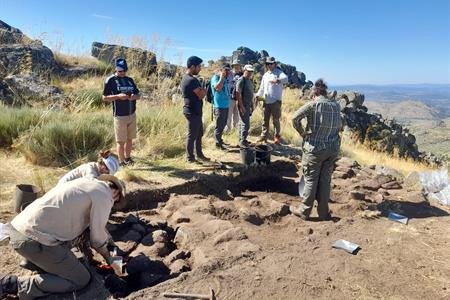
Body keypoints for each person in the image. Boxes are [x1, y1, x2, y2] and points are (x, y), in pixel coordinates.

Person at [0, 175, 126, 299]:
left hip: (19, 228)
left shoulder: (86, 182)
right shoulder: (105, 196)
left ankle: (34, 262)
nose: (113, 204)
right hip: (34, 240)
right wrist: (116, 263)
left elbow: (99, 231)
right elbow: (98, 239)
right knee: (81, 279)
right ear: (116, 193)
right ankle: (11, 284)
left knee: (80, 234)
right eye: (115, 202)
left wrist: (110, 251)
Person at [290, 79, 342, 221]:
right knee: (325, 180)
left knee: (310, 179)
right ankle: (323, 212)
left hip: (315, 148)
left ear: (315, 93)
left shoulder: (313, 104)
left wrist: (302, 133)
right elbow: (340, 126)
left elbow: (295, 118)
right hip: (332, 149)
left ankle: (304, 211)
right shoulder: (336, 106)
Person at [102, 58, 141, 166]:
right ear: (116, 69)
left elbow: (138, 95)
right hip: (120, 116)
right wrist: (118, 96)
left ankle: (128, 159)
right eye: (120, 71)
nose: (122, 73)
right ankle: (121, 162)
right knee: (121, 141)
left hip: (132, 114)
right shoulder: (110, 80)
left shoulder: (130, 80)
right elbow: (104, 98)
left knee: (130, 139)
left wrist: (134, 97)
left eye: (124, 71)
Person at [180, 56, 209, 163]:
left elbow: (199, 93)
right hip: (192, 111)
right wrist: (204, 89)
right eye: (199, 66)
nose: (200, 68)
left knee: (198, 134)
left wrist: (201, 89)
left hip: (193, 110)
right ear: (192, 66)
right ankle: (190, 158)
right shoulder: (192, 80)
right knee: (192, 135)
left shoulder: (185, 78)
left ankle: (199, 155)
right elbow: (201, 95)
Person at [255, 56, 288, 144]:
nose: (269, 65)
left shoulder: (279, 72)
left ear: (274, 64)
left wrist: (277, 80)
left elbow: (286, 79)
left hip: (276, 101)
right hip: (266, 101)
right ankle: (263, 136)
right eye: (268, 64)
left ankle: (276, 137)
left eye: (271, 63)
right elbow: (262, 88)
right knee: (265, 120)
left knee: (276, 120)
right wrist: (258, 95)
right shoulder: (265, 75)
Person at [211, 63, 232, 150]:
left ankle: (220, 140)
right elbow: (218, 88)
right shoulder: (215, 77)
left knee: (223, 124)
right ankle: (217, 143)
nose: (227, 72)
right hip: (219, 106)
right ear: (221, 70)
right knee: (219, 125)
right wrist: (222, 77)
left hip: (226, 105)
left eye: (228, 70)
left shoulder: (226, 79)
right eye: (225, 70)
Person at [235, 64, 255, 147]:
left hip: (248, 105)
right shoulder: (241, 80)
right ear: (244, 70)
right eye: (248, 71)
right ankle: (243, 141)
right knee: (246, 124)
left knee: (242, 123)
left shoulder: (249, 80)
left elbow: (251, 94)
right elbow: (238, 94)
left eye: (251, 71)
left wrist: (252, 105)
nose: (250, 73)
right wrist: (242, 106)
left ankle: (242, 140)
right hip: (243, 105)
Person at [225, 61, 243, 132]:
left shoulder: (242, 75)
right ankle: (227, 130)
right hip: (230, 97)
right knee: (229, 114)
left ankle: (235, 131)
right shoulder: (229, 74)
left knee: (237, 115)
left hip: (239, 98)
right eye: (235, 65)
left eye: (238, 65)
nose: (236, 67)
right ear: (233, 66)